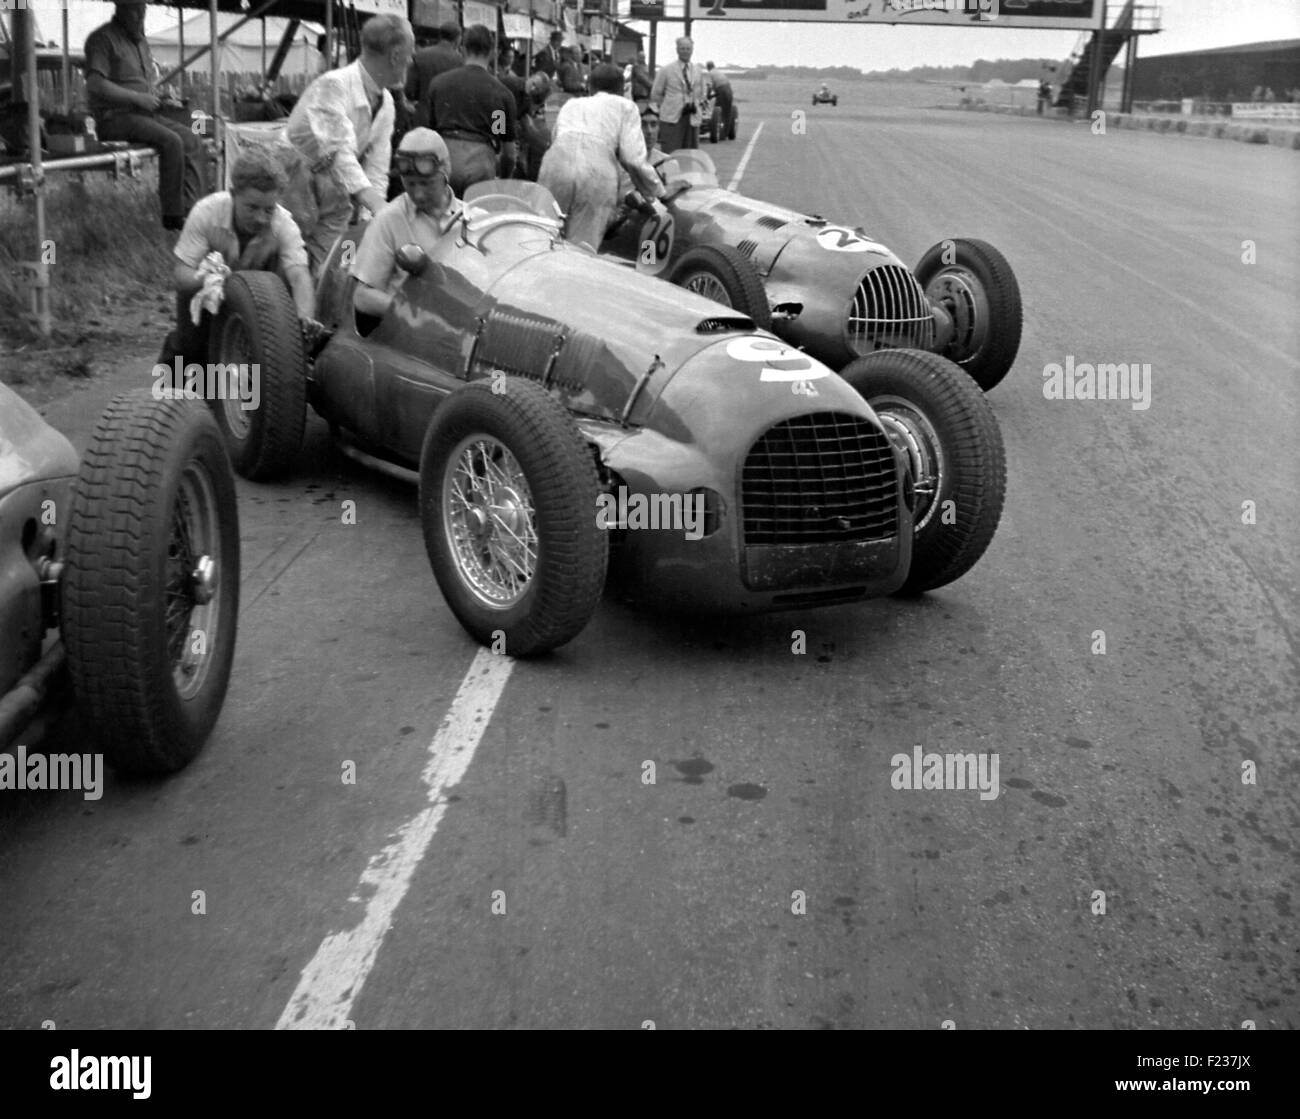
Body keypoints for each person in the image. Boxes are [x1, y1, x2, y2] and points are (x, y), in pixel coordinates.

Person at [162, 147, 317, 365]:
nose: (261, 218)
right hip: (204, 296)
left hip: (260, 300)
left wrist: (304, 321)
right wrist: (207, 280)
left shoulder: (284, 224)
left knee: (269, 357)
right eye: (252, 208)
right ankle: (166, 392)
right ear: (233, 194)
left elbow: (300, 277)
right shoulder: (206, 212)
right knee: (190, 351)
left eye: (269, 209)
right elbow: (180, 274)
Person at [285, 13, 413, 272]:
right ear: (396, 55)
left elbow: (377, 168)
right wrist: (378, 206)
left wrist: (372, 218)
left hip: (335, 190)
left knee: (332, 264)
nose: (410, 61)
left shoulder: (386, 102)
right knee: (291, 260)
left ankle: (320, 309)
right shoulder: (334, 85)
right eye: (409, 54)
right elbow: (339, 153)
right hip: (293, 182)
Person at [84, 0, 204, 231]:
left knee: (193, 139)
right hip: (114, 117)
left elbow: (143, 85)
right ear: (120, 10)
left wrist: (159, 97)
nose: (140, 18)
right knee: (172, 141)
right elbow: (95, 84)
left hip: (145, 114)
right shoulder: (102, 39)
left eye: (143, 11)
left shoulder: (141, 42)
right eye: (135, 12)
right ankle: (173, 216)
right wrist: (136, 98)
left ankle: (193, 210)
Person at [538, 63, 667, 252]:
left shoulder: (571, 104)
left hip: (556, 161)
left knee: (545, 234)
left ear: (590, 87)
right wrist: (659, 192)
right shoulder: (626, 106)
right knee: (582, 245)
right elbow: (633, 159)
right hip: (596, 168)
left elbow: (555, 138)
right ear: (622, 90)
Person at [351, 129, 471, 319]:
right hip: (409, 336)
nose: (418, 194)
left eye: (426, 183)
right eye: (410, 184)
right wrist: (411, 314)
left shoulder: (475, 219)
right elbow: (363, 297)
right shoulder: (389, 219)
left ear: (446, 171)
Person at [424, 24, 517, 196]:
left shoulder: (438, 84)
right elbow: (507, 150)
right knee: (477, 219)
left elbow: (429, 131)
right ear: (493, 53)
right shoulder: (500, 95)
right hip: (480, 168)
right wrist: (504, 177)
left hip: (443, 164)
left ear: (462, 49)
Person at [650, 37, 705, 152]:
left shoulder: (697, 70)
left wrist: (695, 104)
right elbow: (655, 94)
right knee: (670, 153)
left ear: (692, 50)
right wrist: (669, 105)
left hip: (691, 118)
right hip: (672, 119)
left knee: (691, 154)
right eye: (682, 48)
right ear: (677, 50)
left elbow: (701, 93)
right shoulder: (666, 70)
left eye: (688, 49)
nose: (685, 51)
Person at [406, 21, 463, 125]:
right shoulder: (461, 61)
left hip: (423, 118)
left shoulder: (420, 56)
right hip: (448, 121)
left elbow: (410, 90)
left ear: (440, 35)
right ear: (458, 39)